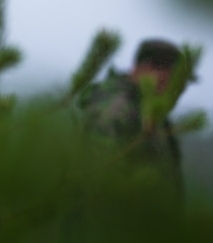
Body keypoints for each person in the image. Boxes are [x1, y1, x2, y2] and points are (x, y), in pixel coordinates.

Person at [79, 38, 187, 201]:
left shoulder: (151, 112)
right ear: (140, 68)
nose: (166, 78)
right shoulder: (116, 108)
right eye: (159, 68)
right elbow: (98, 178)